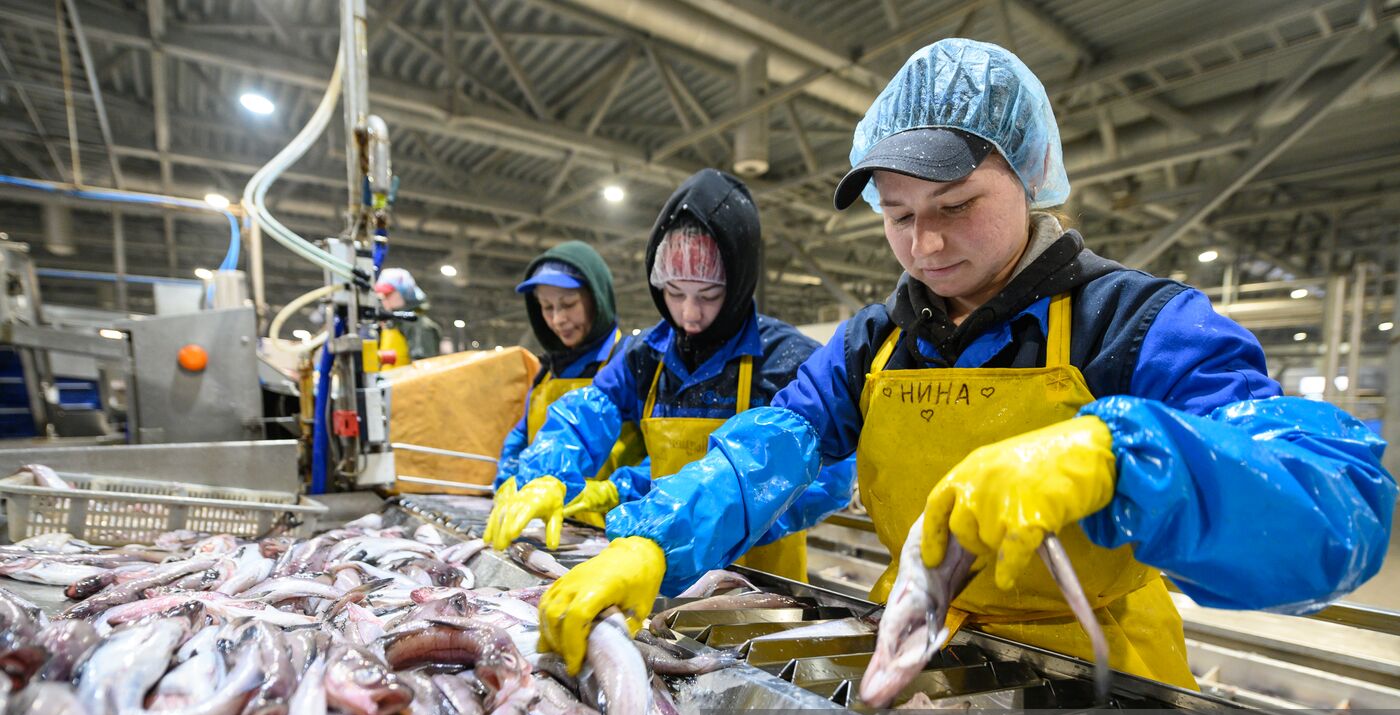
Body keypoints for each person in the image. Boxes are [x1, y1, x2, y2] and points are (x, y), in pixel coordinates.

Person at [533, 39, 1396, 678]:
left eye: (957, 203)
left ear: (1030, 175)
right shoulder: (876, 342)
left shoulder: (1135, 323)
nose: (927, 241)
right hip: (917, 660)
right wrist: (655, 537)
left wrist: (1119, 456)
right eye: (899, 213)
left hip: (1102, 684)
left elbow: (1340, 503)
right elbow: (772, 446)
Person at [486, 167, 856, 583]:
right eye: (674, 293)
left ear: (738, 287)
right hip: (654, 567)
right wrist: (547, 475)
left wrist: (719, 520)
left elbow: (831, 477)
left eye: (709, 295)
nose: (690, 314)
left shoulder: (786, 359)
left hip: (758, 584)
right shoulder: (645, 357)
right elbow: (585, 415)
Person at [492, 241, 645, 530]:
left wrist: (611, 492)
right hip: (548, 530)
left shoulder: (629, 364)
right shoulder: (547, 372)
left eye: (568, 304)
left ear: (596, 298)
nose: (558, 319)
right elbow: (521, 437)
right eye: (547, 308)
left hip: (613, 532)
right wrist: (509, 482)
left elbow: (665, 460)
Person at [374, 268, 442, 362]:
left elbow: (422, 370)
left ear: (405, 292)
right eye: (382, 295)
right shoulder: (393, 325)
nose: (384, 300)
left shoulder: (419, 327)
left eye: (388, 294)